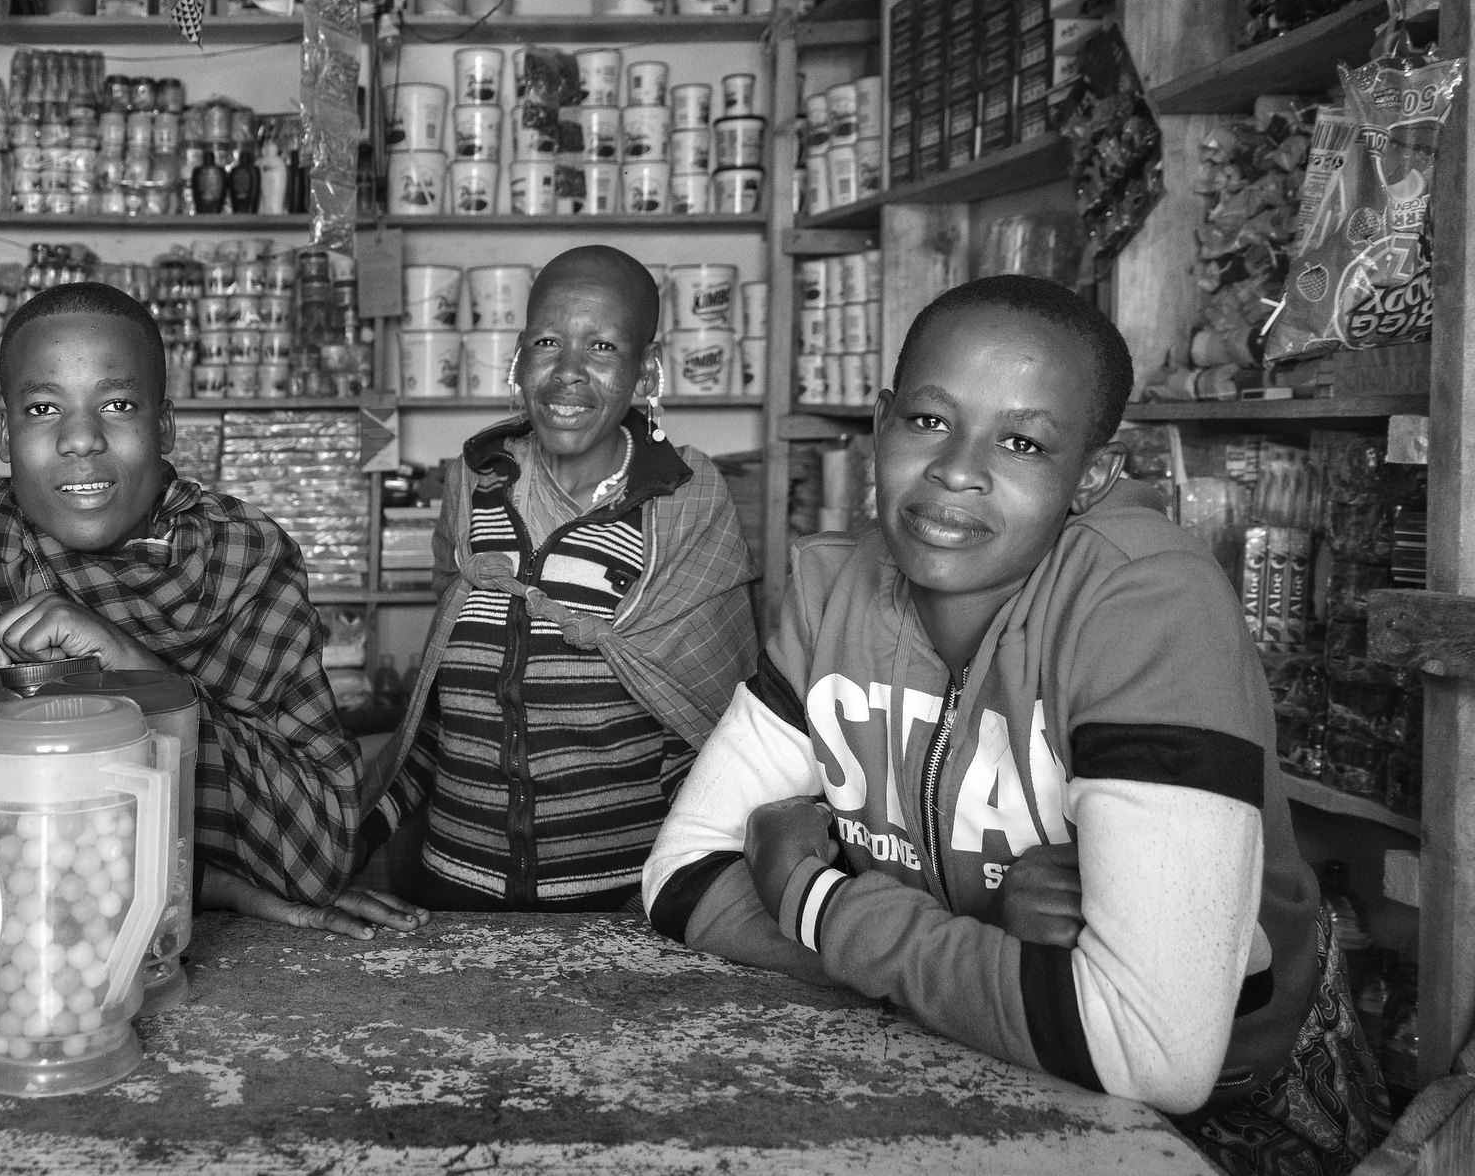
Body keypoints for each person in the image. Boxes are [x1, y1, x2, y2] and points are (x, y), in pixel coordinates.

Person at [644, 275, 1386, 1174]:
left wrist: (811, 894)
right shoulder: (832, 587)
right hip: (943, 1070)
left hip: (1230, 1119)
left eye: (1025, 440)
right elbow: (681, 875)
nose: (957, 468)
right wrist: (987, 936)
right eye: (928, 420)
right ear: (880, 424)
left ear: (1093, 475)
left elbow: (1154, 1051)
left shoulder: (1148, 602)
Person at [0, 282, 420, 939]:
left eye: (117, 404)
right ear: (4, 432)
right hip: (21, 958)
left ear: (164, 426)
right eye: (43, 407)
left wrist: (131, 665)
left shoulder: (243, 554)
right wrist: (219, 883)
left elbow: (319, 851)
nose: (80, 438)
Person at [358, 246, 758, 910]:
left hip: (620, 913)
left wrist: (672, 898)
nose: (568, 372)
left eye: (602, 346)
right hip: (453, 899)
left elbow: (712, 738)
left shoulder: (681, 509)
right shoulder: (472, 490)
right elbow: (442, 711)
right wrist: (355, 837)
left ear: (645, 370)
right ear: (518, 358)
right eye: (547, 341)